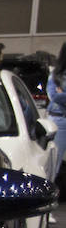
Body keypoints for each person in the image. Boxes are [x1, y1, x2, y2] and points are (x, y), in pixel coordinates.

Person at [49, 44, 66, 190]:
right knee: (55, 162)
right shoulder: (56, 74)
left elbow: (59, 96)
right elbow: (54, 96)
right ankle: (50, 192)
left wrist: (63, 94)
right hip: (60, 120)